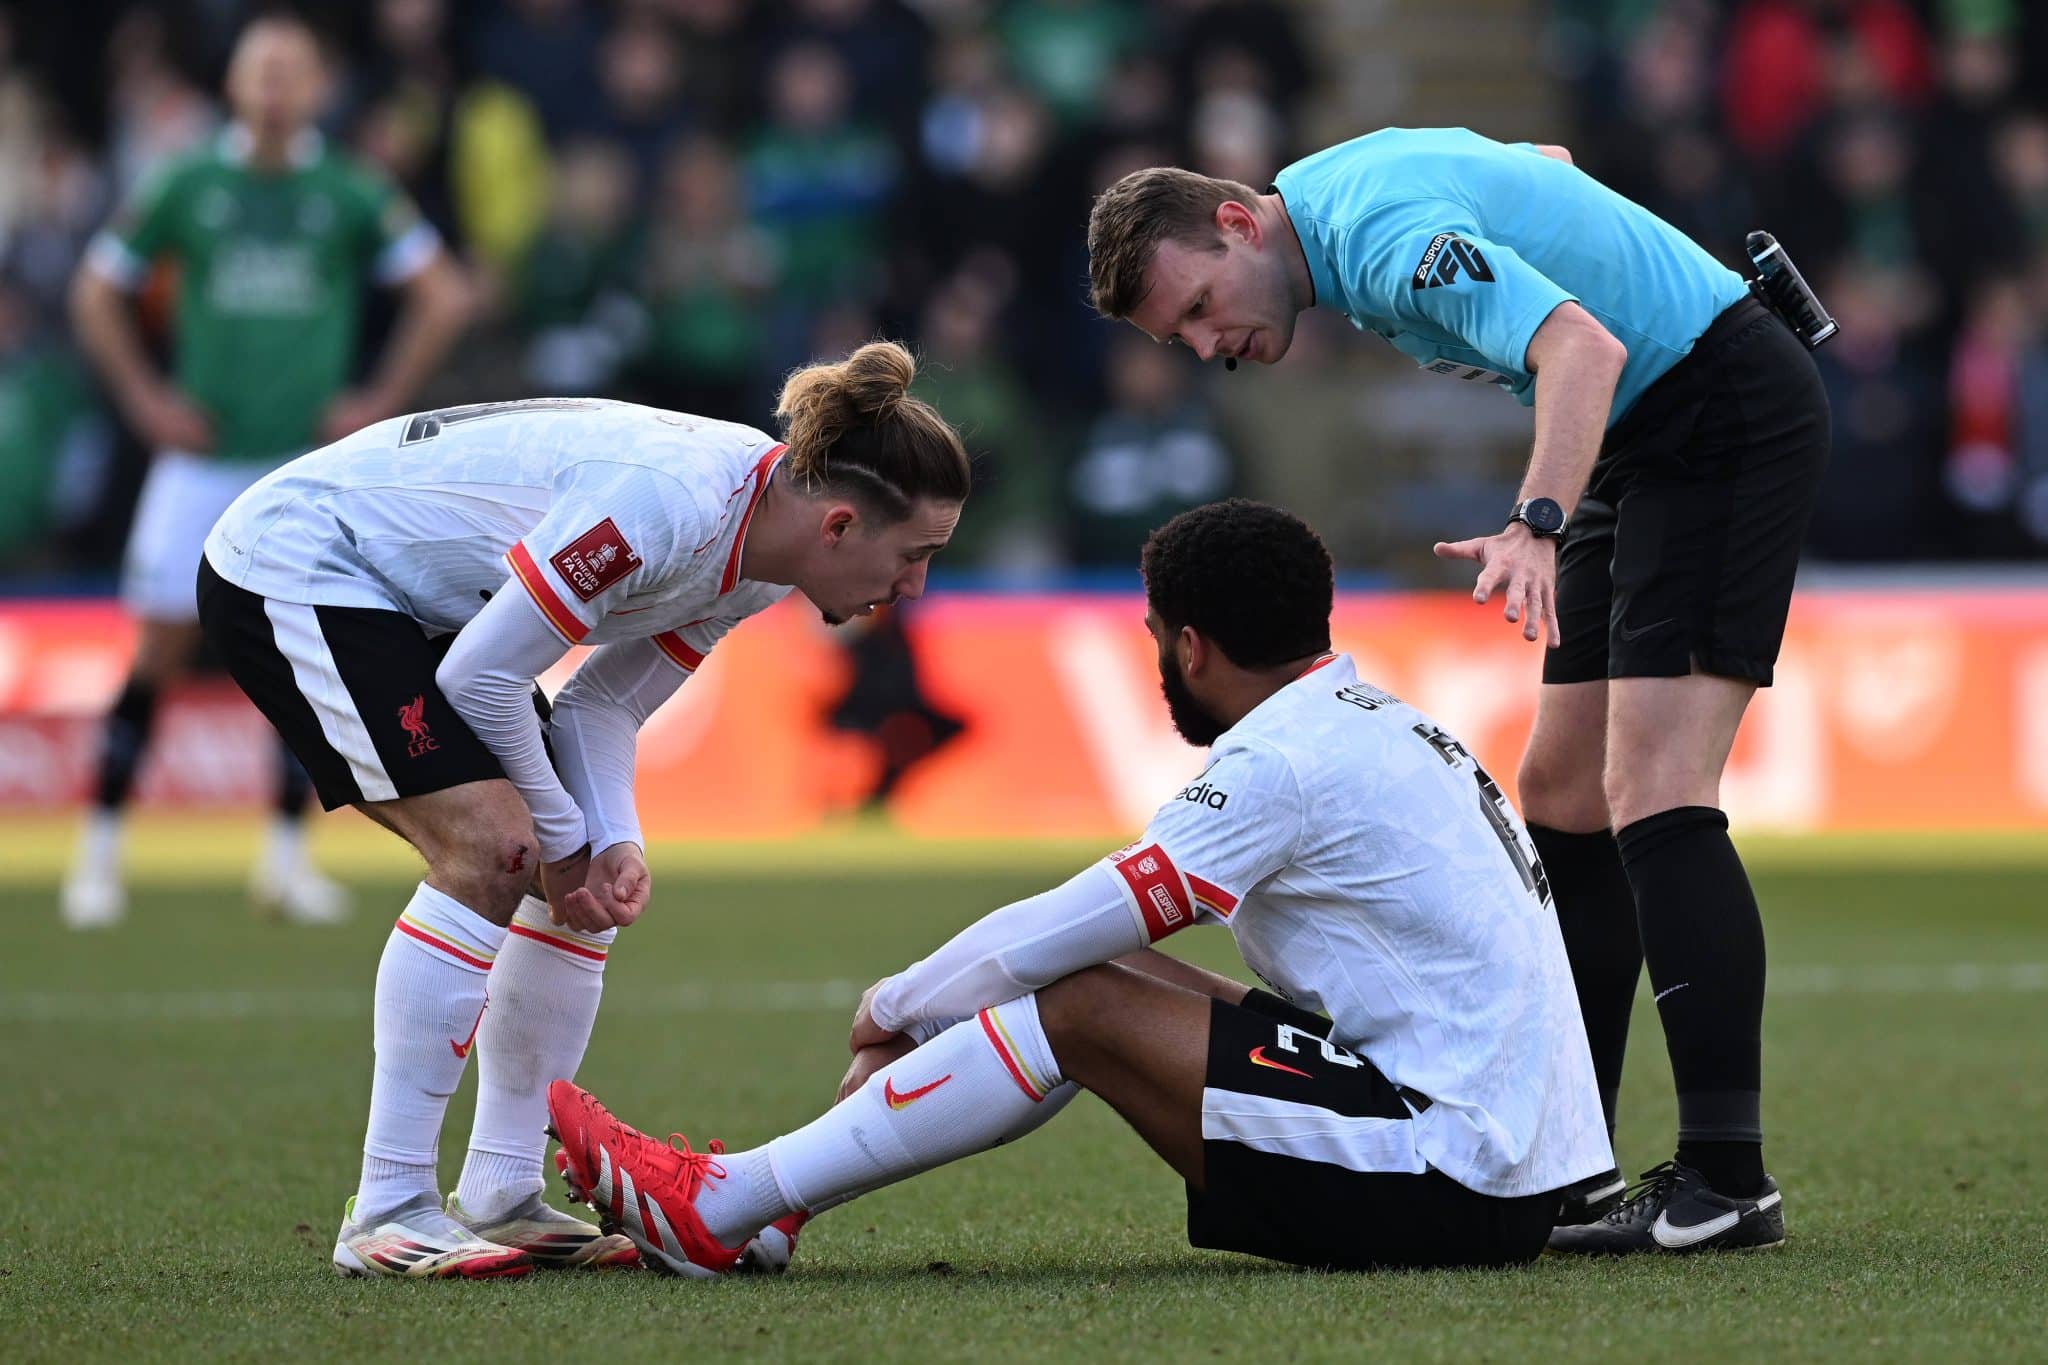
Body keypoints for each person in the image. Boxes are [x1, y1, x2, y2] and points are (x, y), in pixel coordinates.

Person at [1084, 129, 1826, 1253]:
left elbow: (1577, 347)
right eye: (1176, 337)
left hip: (1712, 418)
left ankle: (1727, 1179)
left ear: (1236, 221)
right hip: (1645, 434)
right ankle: (1563, 1163)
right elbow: (1541, 158)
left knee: (1654, 784)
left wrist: (1536, 524)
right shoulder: (1341, 207)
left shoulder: (1376, 239)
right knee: (1563, 790)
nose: (1204, 346)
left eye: (1195, 306)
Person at [546, 498, 1616, 1277]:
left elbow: (1067, 925)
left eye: (1158, 641)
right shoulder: (1382, 723)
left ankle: (728, 1205)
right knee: (1100, 973)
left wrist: (897, 1001)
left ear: (1190, 647)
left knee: (1078, 991)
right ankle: (761, 1218)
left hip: (1450, 1180)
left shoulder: (1284, 760)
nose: (1159, 663)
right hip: (1509, 1169)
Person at [194, 341, 971, 1278]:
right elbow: (480, 677)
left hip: (427, 607)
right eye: (916, 556)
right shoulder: (668, 507)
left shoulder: (765, 556)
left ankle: (500, 1190)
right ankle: (389, 1206)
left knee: (577, 876)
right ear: (841, 524)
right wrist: (566, 837)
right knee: (496, 848)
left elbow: (602, 705)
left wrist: (611, 842)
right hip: (303, 558)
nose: (915, 589)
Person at [62, 13, 472, 929]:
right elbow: (95, 289)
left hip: (303, 474)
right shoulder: (188, 180)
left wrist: (378, 398)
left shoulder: (349, 188)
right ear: (236, 86)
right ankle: (97, 854)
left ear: (319, 88)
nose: (277, 86)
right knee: (159, 651)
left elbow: (442, 292)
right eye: (262, 70)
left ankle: (285, 860)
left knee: (307, 658)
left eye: (294, 70)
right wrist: (143, 397)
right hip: (201, 461)